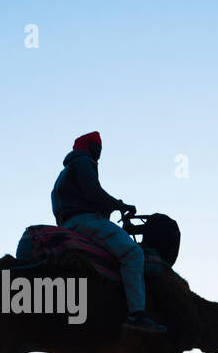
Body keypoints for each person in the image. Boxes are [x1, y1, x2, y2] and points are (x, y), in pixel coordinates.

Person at [52, 131, 165, 333]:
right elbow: (93, 193)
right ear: (88, 147)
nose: (99, 152)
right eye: (97, 147)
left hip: (70, 224)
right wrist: (119, 205)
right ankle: (137, 314)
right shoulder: (83, 161)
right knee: (132, 253)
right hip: (84, 221)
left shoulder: (68, 170)